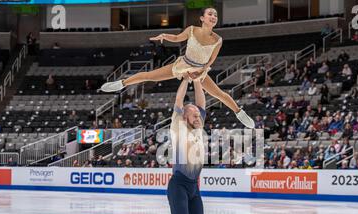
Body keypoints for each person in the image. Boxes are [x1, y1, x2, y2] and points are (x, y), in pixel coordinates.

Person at [99, 7, 254, 129]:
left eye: (215, 15)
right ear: (202, 18)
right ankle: (121, 83)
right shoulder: (192, 30)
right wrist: (165, 35)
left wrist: (201, 70)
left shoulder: (218, 40)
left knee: (220, 94)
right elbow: (178, 38)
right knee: (150, 75)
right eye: (210, 14)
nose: (213, 17)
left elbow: (211, 60)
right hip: (183, 64)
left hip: (199, 70)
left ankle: (240, 113)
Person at [166, 77, 208, 214]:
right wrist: (185, 79)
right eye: (193, 113)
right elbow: (179, 100)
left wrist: (198, 79)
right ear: (184, 116)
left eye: (198, 114)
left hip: (194, 187)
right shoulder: (178, 127)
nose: (198, 115)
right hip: (178, 186)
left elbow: (201, 102)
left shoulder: (199, 127)